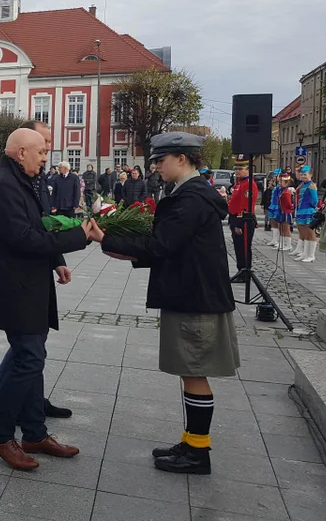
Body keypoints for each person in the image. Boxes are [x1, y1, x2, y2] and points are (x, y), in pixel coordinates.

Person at [101, 133, 239, 475]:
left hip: (195, 298)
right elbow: (170, 246)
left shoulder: (191, 197)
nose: (156, 167)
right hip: (192, 293)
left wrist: (106, 238)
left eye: (160, 161)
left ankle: (198, 452)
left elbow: (162, 245)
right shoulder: (192, 193)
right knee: (189, 371)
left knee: (193, 371)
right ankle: (192, 441)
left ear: (181, 158)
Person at [0, 128, 98, 472]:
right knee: (29, 357)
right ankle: (0, 437)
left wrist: (57, 258)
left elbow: (40, 227)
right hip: (13, 287)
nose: (45, 157)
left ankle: (34, 433)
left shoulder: (22, 180)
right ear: (20, 153)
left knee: (33, 355)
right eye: (41, 152)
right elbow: (24, 238)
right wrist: (79, 236)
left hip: (28, 284)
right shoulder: (2, 186)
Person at [227, 157, 259, 283]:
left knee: (244, 248)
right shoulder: (240, 183)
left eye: (241, 169)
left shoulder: (248, 184)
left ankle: (245, 272)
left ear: (248, 170)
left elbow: (246, 206)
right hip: (235, 218)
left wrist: (238, 224)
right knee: (238, 247)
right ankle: (241, 270)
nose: (238, 171)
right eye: (236, 168)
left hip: (243, 220)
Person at [293, 166, 319, 262]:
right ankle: (305, 253)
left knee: (310, 233)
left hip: (308, 211)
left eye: (305, 174)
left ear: (310, 175)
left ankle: (311, 255)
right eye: (302, 174)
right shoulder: (302, 185)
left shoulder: (311, 185)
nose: (303, 176)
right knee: (304, 233)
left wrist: (312, 207)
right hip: (301, 210)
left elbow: (315, 200)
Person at [275, 172, 295, 251]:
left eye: (281, 182)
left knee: (286, 229)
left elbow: (289, 204)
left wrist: (291, 208)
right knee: (281, 228)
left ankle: (288, 244)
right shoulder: (282, 190)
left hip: (286, 212)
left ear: (286, 183)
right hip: (281, 211)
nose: (279, 183)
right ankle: (282, 243)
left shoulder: (286, 192)